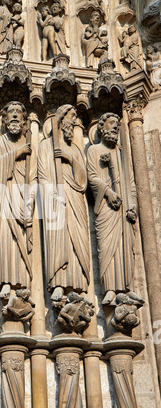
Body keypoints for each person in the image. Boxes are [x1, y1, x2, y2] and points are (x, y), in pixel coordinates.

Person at [38, 104, 90, 302]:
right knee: (59, 239)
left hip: (75, 197)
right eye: (71, 117)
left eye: (76, 117)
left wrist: (69, 159)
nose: (74, 121)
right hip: (55, 199)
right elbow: (42, 174)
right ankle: (58, 282)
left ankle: (81, 284)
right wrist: (53, 194)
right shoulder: (45, 146)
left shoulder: (75, 149)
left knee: (79, 240)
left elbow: (83, 179)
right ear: (61, 120)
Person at [86, 112, 139, 305]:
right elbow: (92, 177)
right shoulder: (94, 150)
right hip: (106, 207)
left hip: (124, 209)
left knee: (125, 247)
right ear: (101, 128)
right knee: (107, 246)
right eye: (111, 123)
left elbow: (131, 182)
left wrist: (132, 205)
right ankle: (109, 288)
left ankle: (126, 287)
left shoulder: (121, 154)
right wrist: (108, 193)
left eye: (117, 124)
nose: (115, 127)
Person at [0, 101, 37, 299]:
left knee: (22, 238)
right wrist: (17, 153)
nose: (15, 116)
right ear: (5, 119)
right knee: (5, 238)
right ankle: (6, 282)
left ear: (25, 120)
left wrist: (31, 198)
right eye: (11, 112)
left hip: (23, 198)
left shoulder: (30, 146)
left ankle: (22, 281)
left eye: (19, 112)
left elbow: (34, 176)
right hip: (4, 196)